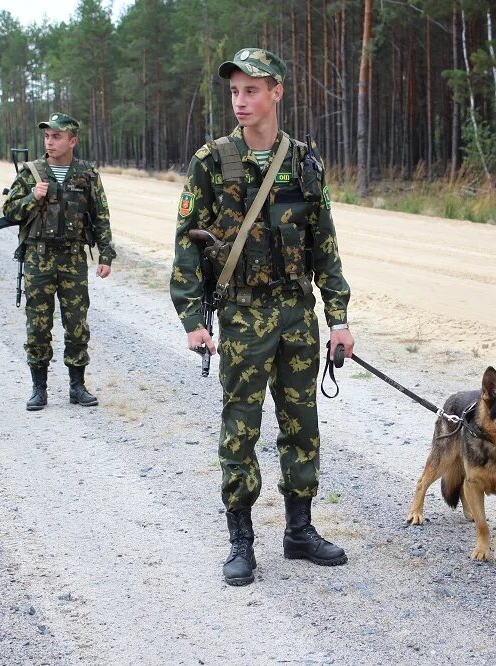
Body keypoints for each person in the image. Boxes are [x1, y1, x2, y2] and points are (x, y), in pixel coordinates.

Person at [169, 48, 355, 586]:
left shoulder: (304, 161)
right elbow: (186, 245)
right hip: (243, 317)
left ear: (276, 92)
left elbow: (326, 246)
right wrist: (192, 318)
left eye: (252, 89)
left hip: (297, 314)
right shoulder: (212, 161)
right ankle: (241, 541)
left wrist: (338, 319)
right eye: (234, 91)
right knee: (240, 429)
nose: (241, 101)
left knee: (302, 428)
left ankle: (299, 531)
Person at [3, 112, 116, 411]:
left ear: (72, 140)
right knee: (38, 326)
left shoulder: (87, 174)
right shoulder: (31, 173)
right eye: (47, 136)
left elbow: (101, 215)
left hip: (73, 259)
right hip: (38, 260)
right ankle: (38, 389)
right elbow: (10, 211)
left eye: (56, 136)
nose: (49, 142)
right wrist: (31, 198)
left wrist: (106, 254)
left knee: (77, 324)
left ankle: (77, 387)